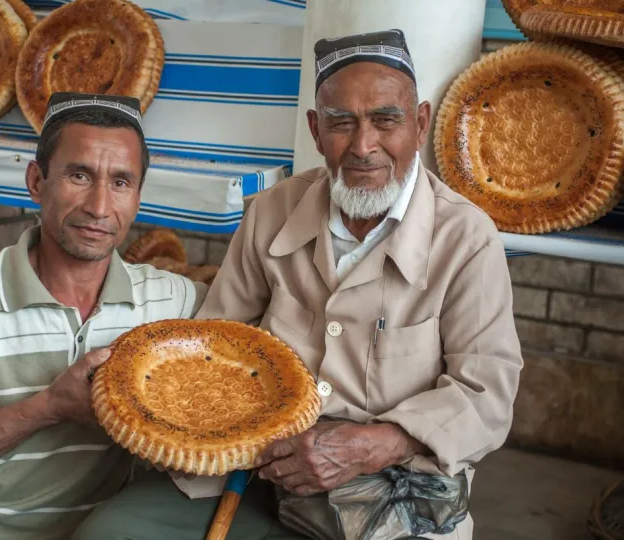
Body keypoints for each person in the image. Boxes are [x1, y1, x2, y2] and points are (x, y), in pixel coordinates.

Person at [76, 30, 523, 540]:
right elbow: (216, 340)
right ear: (315, 130)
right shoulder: (272, 211)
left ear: (419, 124)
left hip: (390, 489)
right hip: (255, 472)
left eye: (385, 120)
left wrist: (373, 444)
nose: (363, 146)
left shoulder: (466, 238)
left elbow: (486, 396)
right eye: (341, 123)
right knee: (113, 532)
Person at [0, 92, 206, 540]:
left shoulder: (174, 303)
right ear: (36, 181)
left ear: (139, 196)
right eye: (79, 175)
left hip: (100, 530)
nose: (100, 206)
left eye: (121, 183)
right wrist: (49, 407)